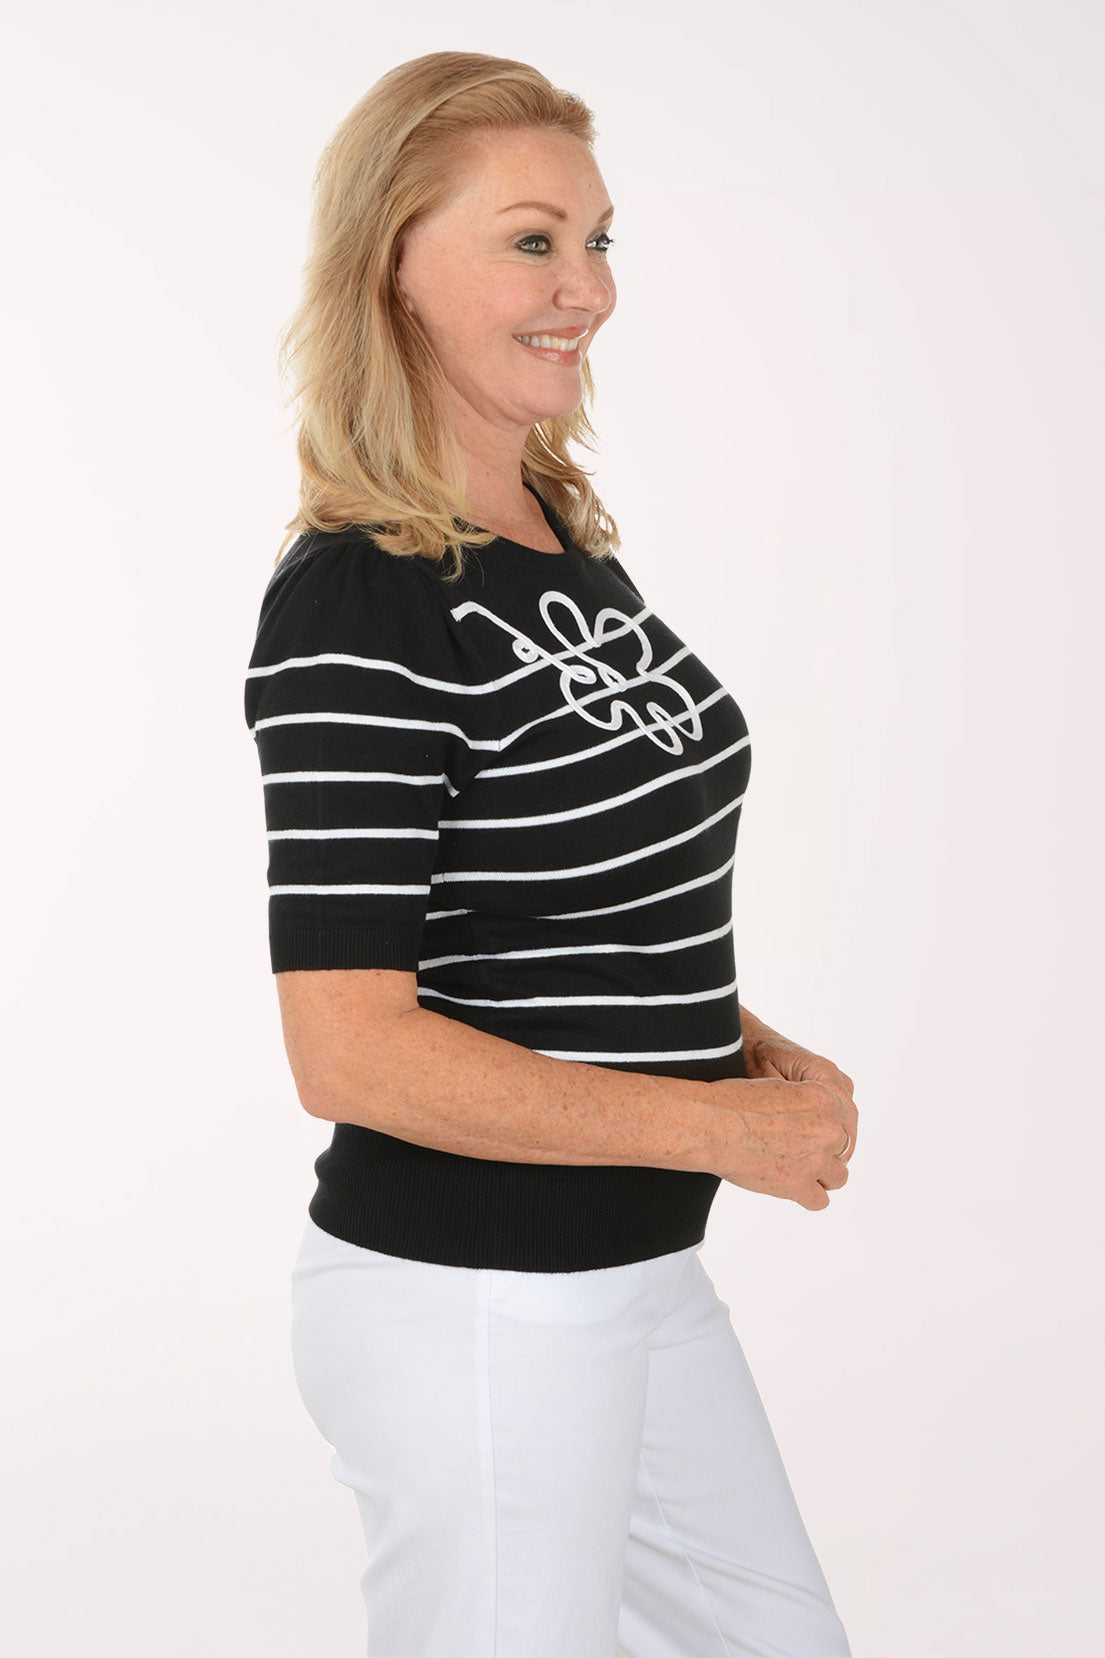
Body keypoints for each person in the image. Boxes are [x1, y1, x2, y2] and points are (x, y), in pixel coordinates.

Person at [244, 49, 857, 1658]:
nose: (586, 288)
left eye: (596, 239)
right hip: (474, 1297)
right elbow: (348, 1046)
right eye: (530, 241)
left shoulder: (555, 542)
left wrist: (746, 1051)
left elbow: (568, 910)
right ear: (392, 261)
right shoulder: (359, 598)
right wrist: (715, 1125)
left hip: (635, 1272)